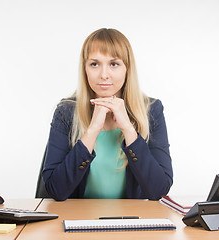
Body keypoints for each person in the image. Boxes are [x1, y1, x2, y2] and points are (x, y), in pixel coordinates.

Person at [42, 28, 173, 201]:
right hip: (77, 219)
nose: (104, 75)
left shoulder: (151, 110)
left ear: (127, 68)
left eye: (114, 64)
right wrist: (92, 131)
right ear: (85, 69)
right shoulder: (66, 111)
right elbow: (55, 189)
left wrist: (128, 129)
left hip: (132, 222)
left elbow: (159, 190)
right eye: (94, 64)